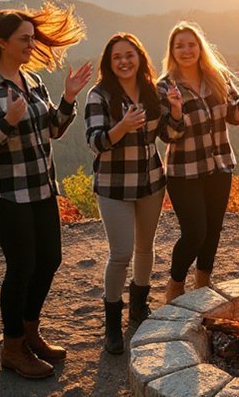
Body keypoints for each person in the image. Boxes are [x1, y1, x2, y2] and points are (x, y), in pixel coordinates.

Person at [0, 3, 91, 379]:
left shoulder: (31, 80)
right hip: (4, 193)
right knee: (22, 267)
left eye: (33, 38)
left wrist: (67, 98)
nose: (31, 45)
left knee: (49, 260)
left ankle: (30, 332)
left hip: (40, 186)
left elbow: (53, 129)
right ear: (1, 42)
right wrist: (7, 122)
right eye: (24, 39)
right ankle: (12, 347)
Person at [85, 33, 183, 355]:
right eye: (117, 57)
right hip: (114, 186)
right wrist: (122, 127)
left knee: (145, 248)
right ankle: (112, 321)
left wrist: (178, 112)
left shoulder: (153, 92)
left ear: (139, 57)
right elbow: (96, 142)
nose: (124, 61)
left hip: (151, 182)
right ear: (109, 63)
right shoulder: (98, 96)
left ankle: (139, 309)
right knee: (121, 253)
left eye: (130, 55)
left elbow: (169, 135)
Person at [156, 22, 239, 303]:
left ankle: (203, 283)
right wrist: (176, 111)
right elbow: (167, 135)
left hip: (219, 167)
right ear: (172, 51)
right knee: (194, 232)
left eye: (191, 44)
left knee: (213, 229)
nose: (186, 50)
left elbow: (234, 117)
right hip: (184, 171)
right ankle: (176, 284)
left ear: (200, 47)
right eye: (180, 46)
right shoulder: (164, 87)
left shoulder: (217, 78)